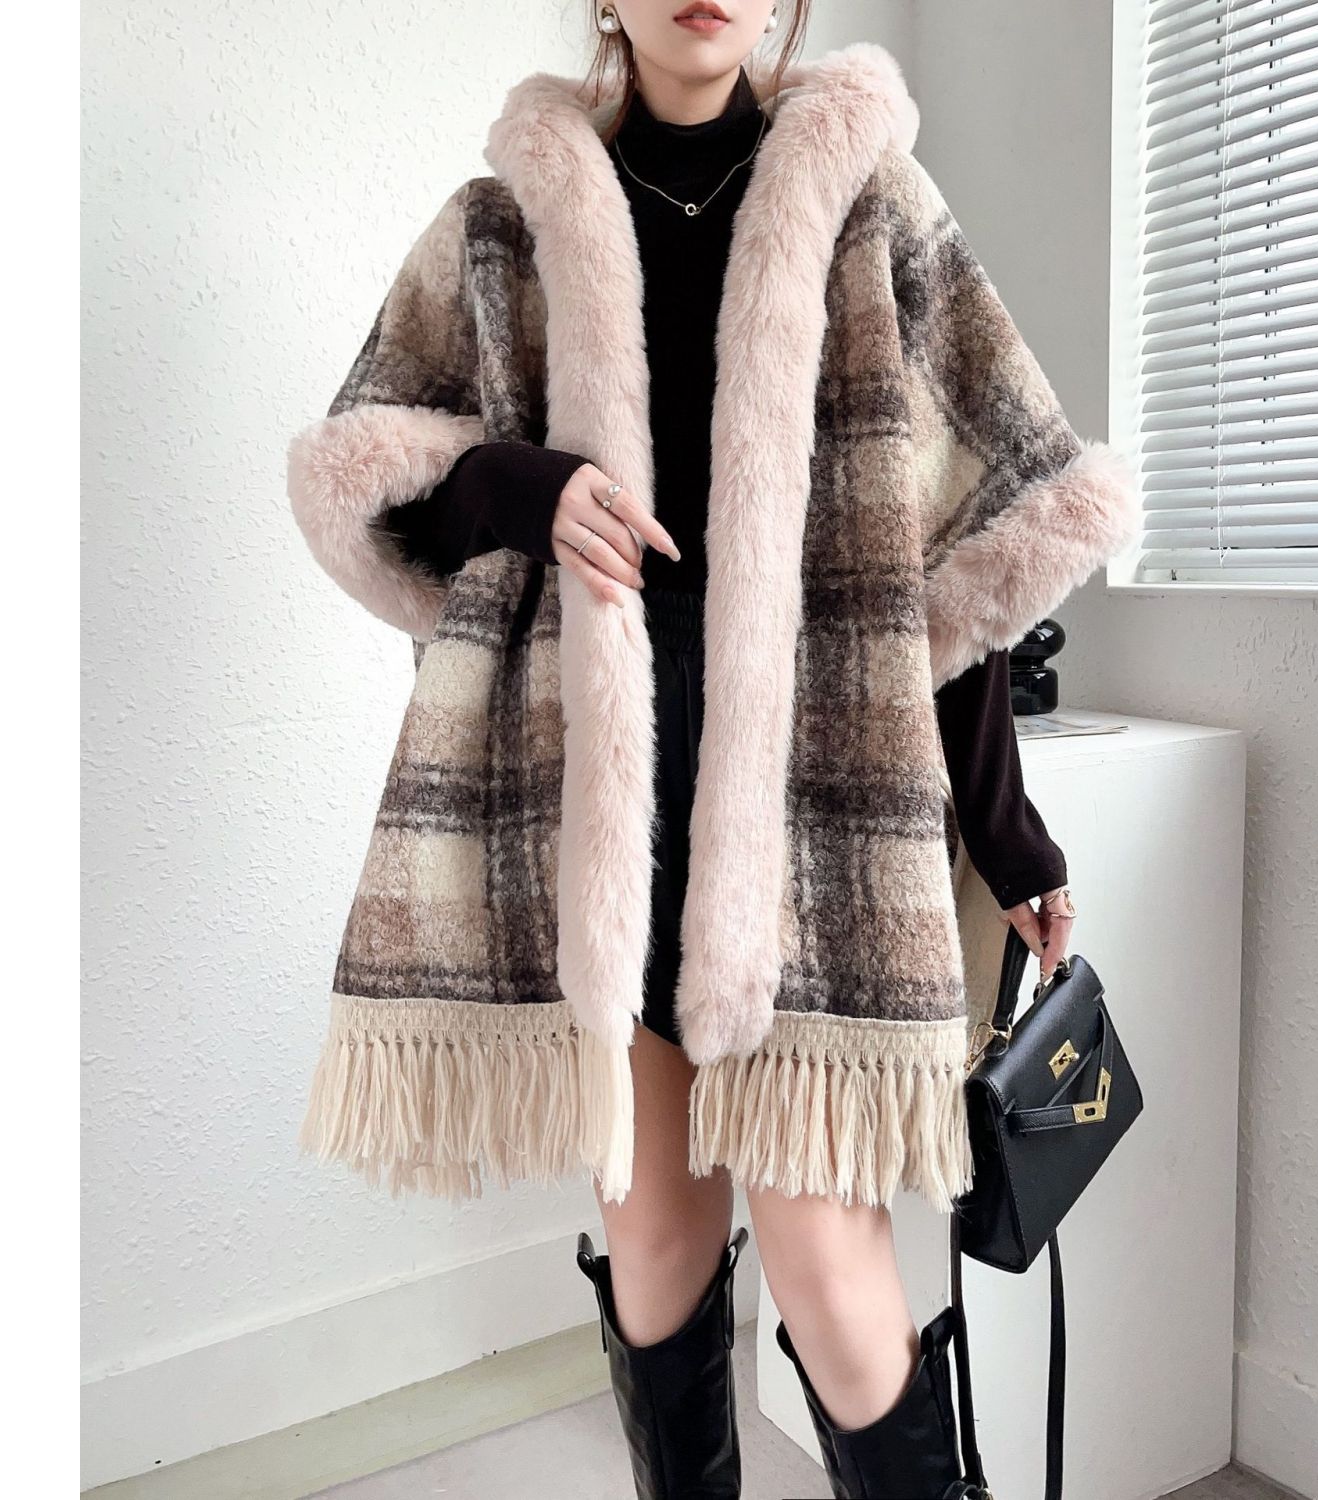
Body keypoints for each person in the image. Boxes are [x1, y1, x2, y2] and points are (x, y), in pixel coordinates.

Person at [285, 4, 1139, 1496]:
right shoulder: (500, 227)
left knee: (831, 1268)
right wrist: (518, 480)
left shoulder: (868, 204)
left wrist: (1006, 832)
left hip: (818, 794)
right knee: (658, 1254)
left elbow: (956, 553)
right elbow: (372, 489)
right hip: (599, 795)